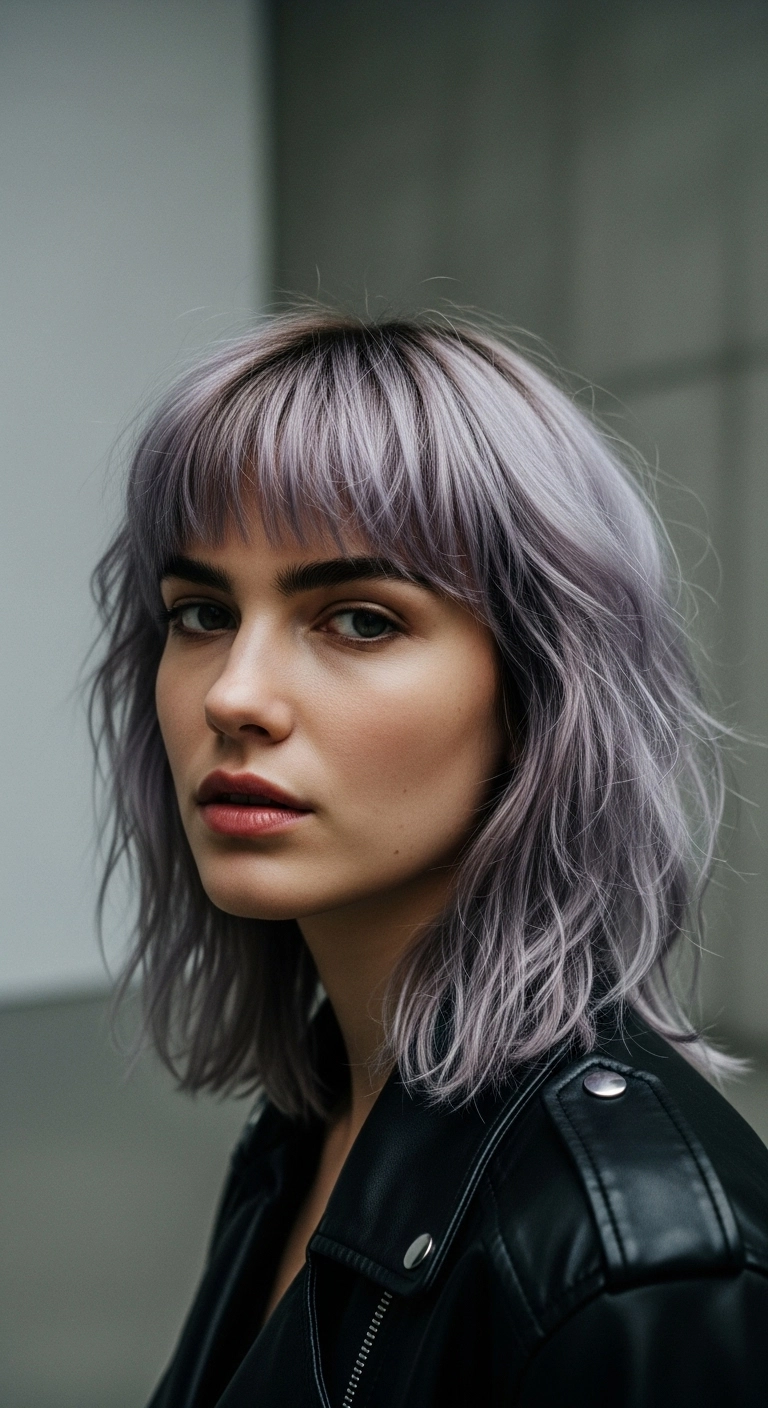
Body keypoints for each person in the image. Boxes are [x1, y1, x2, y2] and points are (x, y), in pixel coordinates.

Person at [90, 313, 768, 1407]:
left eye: (358, 619)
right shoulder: (320, 1107)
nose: (233, 695)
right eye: (203, 612)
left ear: (540, 690)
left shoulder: (642, 1267)